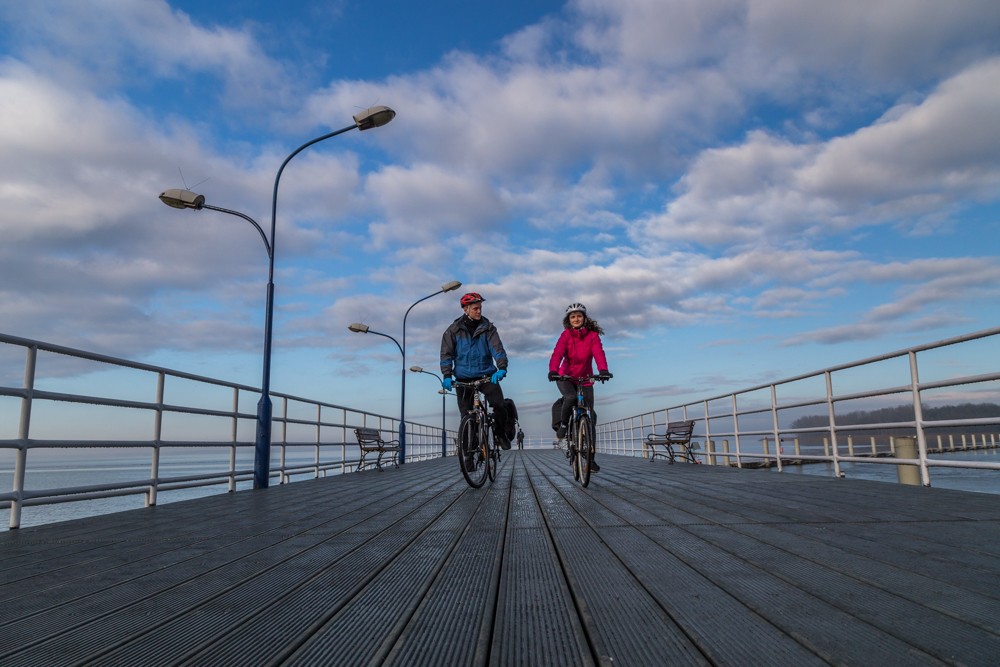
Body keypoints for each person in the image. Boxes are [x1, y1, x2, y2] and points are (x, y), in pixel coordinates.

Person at [441, 292, 513, 457]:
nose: (479, 311)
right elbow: (446, 355)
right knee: (466, 416)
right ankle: (468, 454)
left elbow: (497, 349)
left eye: (480, 308)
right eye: (475, 308)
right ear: (465, 309)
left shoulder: (488, 328)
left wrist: (501, 368)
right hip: (463, 379)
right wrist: (447, 376)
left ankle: (500, 433)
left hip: (486, 376)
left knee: (499, 405)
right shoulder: (453, 330)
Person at [548, 302, 612, 471]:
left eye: (579, 316)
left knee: (590, 416)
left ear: (584, 318)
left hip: (585, 378)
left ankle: (590, 460)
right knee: (570, 397)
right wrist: (553, 370)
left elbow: (599, 353)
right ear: (569, 320)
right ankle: (563, 425)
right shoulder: (566, 336)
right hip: (565, 376)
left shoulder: (592, 336)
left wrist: (603, 370)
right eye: (573, 317)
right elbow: (557, 353)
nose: (576, 319)